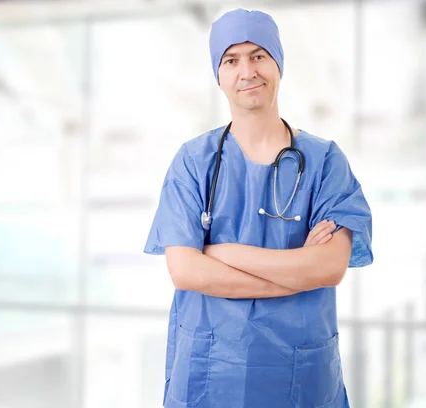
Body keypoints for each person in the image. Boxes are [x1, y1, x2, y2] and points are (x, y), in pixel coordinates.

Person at [143, 8, 373, 408]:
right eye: (231, 60)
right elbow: (184, 270)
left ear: (278, 64)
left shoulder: (324, 162)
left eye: (258, 55)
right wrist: (298, 271)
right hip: (210, 373)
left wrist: (224, 254)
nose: (247, 71)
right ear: (219, 75)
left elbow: (329, 268)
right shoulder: (194, 162)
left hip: (300, 374)